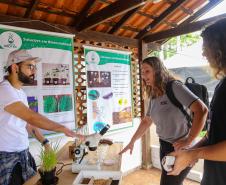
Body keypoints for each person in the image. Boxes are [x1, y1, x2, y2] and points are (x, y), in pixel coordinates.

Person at [119, 56, 208, 185]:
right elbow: (146, 121)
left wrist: (188, 141)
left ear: (158, 70)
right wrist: (132, 141)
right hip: (165, 146)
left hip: (181, 148)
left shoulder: (174, 87)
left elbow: (202, 110)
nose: (143, 75)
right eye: (142, 72)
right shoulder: (154, 94)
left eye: (147, 71)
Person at [0, 50, 84, 185]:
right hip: (7, 158)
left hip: (24, 154)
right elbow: (31, 117)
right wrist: (61, 128)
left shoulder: (20, 92)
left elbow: (27, 123)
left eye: (34, 67)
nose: (34, 71)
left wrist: (45, 142)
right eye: (29, 66)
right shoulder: (4, 90)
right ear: (15, 67)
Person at [168, 18, 226, 185]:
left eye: (205, 48)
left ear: (220, 50)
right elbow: (215, 133)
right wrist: (192, 150)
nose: (203, 53)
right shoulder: (222, 85)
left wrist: (194, 154)